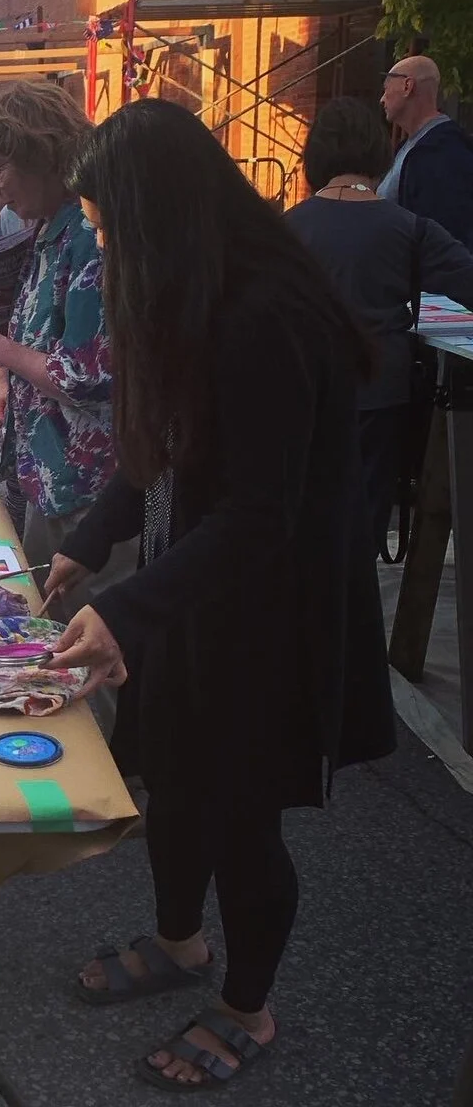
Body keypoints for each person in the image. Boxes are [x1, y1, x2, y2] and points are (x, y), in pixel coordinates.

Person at [42, 99, 395, 1091]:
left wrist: (124, 607)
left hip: (264, 617)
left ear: (156, 212)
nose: (104, 243)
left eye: (111, 225)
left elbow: (259, 517)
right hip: (188, 596)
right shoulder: (191, 291)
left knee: (241, 814)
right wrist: (89, 543)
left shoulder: (264, 313)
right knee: (172, 777)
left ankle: (247, 1002)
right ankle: (176, 940)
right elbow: (157, 449)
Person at [0, 81, 130, 626]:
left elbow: (86, 375)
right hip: (51, 479)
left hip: (85, 491)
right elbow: (52, 329)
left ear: (42, 157)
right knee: (49, 633)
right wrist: (3, 301)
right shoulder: (52, 227)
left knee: (87, 648)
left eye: (0, 166)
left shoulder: (89, 235)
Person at [287, 96, 473, 552]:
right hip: (379, 392)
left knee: (302, 520)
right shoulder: (408, 227)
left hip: (301, 390)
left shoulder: (287, 229)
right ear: (376, 154)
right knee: (362, 527)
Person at [379, 55, 473, 247]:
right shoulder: (408, 148)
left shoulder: (444, 153)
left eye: (386, 87)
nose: (381, 99)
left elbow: (446, 238)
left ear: (407, 86)